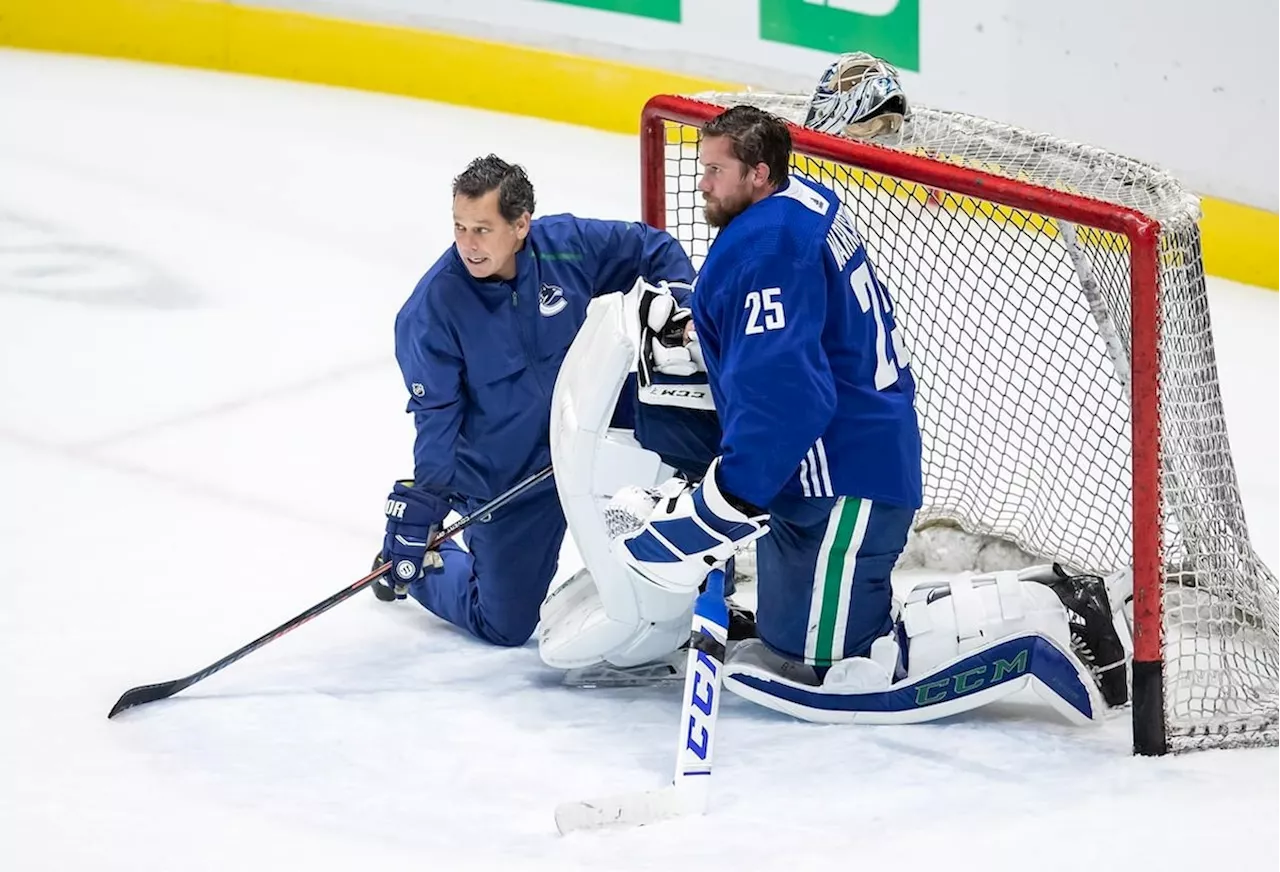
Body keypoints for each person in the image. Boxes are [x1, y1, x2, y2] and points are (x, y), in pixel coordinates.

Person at [540, 70, 1128, 723]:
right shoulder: (797, 205)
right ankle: (1032, 596)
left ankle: (1056, 615)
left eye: (715, 170)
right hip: (832, 468)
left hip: (842, 480)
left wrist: (725, 501)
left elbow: (786, 395)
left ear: (758, 174)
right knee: (786, 630)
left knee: (827, 667)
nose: (701, 181)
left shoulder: (764, 249)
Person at [376, 154, 694, 648]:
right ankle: (425, 571)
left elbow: (650, 248)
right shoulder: (432, 311)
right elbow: (437, 423)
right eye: (459, 227)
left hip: (600, 440)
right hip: (512, 476)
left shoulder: (566, 246)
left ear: (521, 224)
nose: (467, 244)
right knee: (504, 625)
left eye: (482, 229)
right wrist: (425, 507)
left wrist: (682, 306)